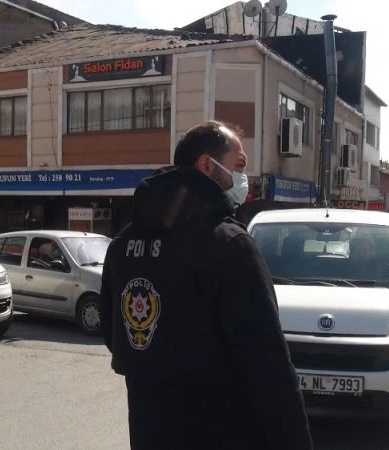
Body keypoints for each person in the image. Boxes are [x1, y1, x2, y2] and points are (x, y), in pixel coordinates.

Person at [100, 121, 313, 450]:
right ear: (206, 165)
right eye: (238, 166)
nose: (243, 178)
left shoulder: (122, 245)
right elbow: (269, 367)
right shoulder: (229, 245)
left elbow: (114, 335)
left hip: (149, 433)